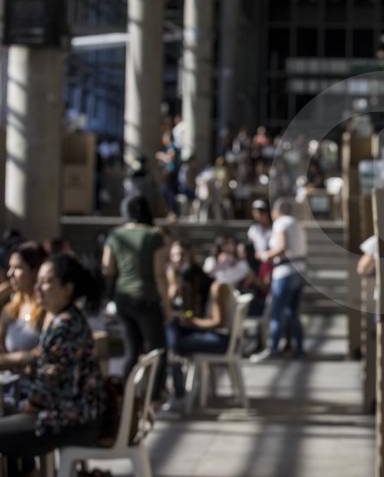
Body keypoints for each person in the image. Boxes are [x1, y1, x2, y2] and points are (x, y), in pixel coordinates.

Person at [0, 254, 104, 476]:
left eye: (46, 282)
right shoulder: (69, 318)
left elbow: (44, 394)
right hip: (79, 417)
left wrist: (19, 410)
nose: (38, 288)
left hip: (70, 422)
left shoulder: (63, 326)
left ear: (67, 289)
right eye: (38, 281)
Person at [102, 195, 170, 400]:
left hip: (123, 298)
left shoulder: (116, 235)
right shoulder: (153, 235)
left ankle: (126, 396)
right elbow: (159, 273)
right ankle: (154, 396)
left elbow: (107, 268)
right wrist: (166, 304)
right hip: (147, 297)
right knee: (157, 350)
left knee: (132, 350)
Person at [252, 198, 306, 360]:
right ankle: (299, 348)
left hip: (284, 271)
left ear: (277, 211)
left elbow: (281, 247)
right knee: (293, 312)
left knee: (277, 312)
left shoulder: (281, 223)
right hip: (299, 270)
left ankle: (273, 348)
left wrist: (264, 255)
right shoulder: (296, 224)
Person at [166, 278, 234, 403]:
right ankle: (177, 388)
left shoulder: (217, 287)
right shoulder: (221, 285)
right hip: (223, 338)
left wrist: (192, 322)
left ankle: (178, 390)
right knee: (175, 337)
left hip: (221, 340)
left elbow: (218, 322)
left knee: (175, 343)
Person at [0, 243, 47, 370]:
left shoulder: (48, 309)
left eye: (17, 268)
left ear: (35, 271)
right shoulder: (10, 309)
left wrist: (14, 359)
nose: (10, 273)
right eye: (10, 267)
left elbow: (46, 353)